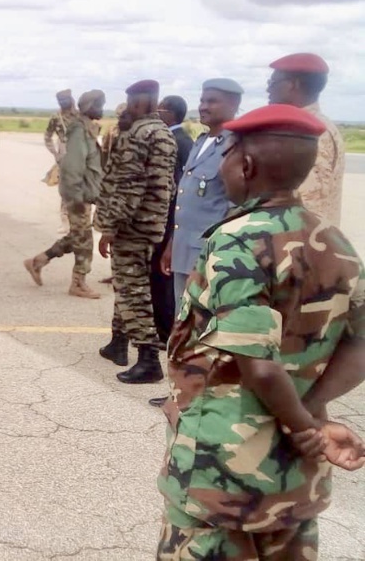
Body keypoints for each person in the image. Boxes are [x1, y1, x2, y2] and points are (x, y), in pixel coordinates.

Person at [156, 104, 365, 560]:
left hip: (224, 471)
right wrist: (310, 413)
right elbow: (361, 343)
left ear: (245, 165)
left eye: (226, 156)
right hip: (294, 481)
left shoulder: (239, 239)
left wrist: (303, 427)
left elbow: (261, 366)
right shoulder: (335, 240)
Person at [94, 80, 176, 384]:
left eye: (131, 101)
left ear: (142, 102)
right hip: (151, 223)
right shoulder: (164, 133)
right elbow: (166, 184)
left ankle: (148, 358)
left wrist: (109, 227)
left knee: (133, 291)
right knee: (128, 284)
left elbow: (129, 186)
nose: (128, 106)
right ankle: (118, 343)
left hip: (132, 226)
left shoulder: (139, 133)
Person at [159, 79, 243, 313]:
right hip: (184, 249)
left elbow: (234, 208)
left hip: (209, 256)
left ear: (234, 103)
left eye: (212, 101)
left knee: (201, 323)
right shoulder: (201, 142)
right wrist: (172, 245)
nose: (204, 106)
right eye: (202, 100)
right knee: (181, 318)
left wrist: (216, 256)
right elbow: (187, 202)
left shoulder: (236, 146)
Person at [24, 90, 105, 298]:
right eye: (100, 104)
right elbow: (72, 167)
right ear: (90, 106)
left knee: (77, 236)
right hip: (78, 195)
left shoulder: (86, 128)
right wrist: (77, 196)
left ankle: (38, 261)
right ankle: (78, 283)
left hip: (84, 193)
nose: (102, 109)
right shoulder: (79, 130)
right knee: (84, 241)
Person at [267, 52, 344, 226]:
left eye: (273, 82)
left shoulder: (308, 130)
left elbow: (309, 200)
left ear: (293, 85)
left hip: (302, 240)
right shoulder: (315, 125)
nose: (268, 89)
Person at [150, 95, 193, 343]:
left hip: (170, 220)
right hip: (169, 219)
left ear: (171, 114)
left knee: (162, 277)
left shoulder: (179, 141)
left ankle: (165, 331)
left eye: (161, 109)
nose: (157, 113)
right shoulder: (178, 139)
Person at [45, 89, 79, 234]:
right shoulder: (56, 117)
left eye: (66, 100)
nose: (64, 103)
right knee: (65, 190)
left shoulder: (79, 116)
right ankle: (65, 221)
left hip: (80, 155)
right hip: (64, 156)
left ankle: (77, 220)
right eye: (61, 100)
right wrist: (55, 154)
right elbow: (47, 136)